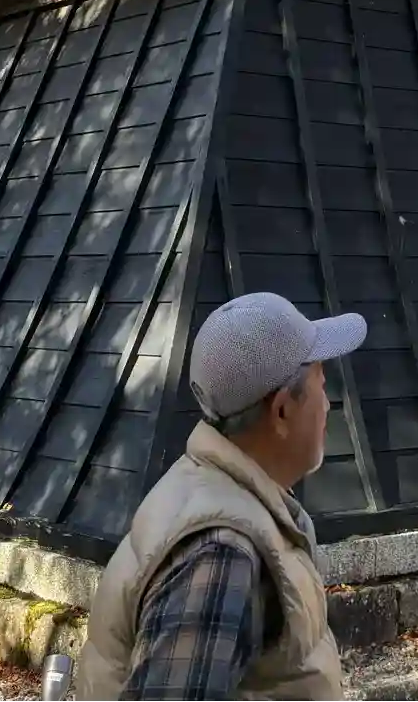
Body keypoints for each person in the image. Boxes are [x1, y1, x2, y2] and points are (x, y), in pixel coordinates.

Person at [76, 293, 368, 701]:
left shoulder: (208, 488)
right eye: (321, 384)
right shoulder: (221, 552)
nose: (328, 403)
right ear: (282, 411)